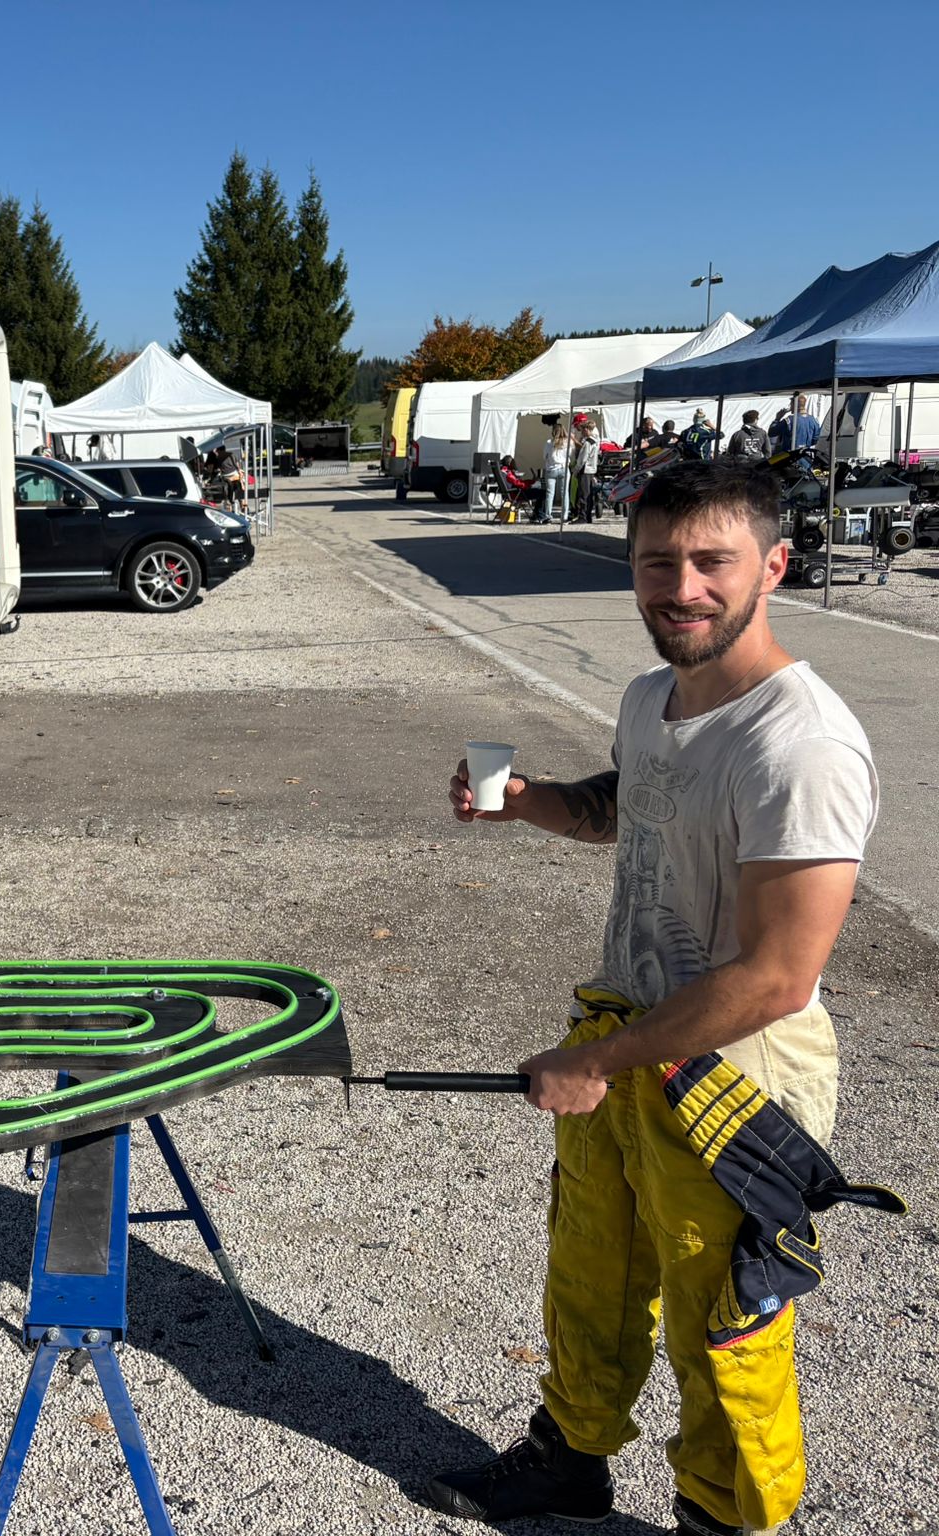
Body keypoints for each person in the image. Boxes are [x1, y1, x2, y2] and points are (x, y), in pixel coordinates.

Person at [432, 459, 878, 1536]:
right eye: (654, 563)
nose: (679, 588)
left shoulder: (800, 746)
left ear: (772, 565)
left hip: (732, 1085)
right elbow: (623, 811)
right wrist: (523, 804)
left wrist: (591, 1061)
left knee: (719, 1327)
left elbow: (776, 977)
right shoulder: (650, 699)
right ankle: (568, 1459)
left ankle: (719, 1519)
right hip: (626, 1042)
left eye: (709, 562)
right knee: (589, 1274)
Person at [571, 414, 602, 520]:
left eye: (583, 430)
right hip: (592, 469)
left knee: (583, 494)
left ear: (588, 430)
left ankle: (582, 516)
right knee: (588, 495)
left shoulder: (588, 443)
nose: (582, 432)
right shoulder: (595, 441)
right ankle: (588, 516)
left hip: (585, 470)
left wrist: (576, 470)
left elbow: (582, 459)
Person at [541, 424, 571, 523]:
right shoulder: (568, 443)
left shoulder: (549, 442)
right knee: (564, 493)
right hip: (564, 469)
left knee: (550, 493)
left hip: (551, 469)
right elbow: (570, 455)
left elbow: (544, 456)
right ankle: (565, 516)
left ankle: (548, 516)